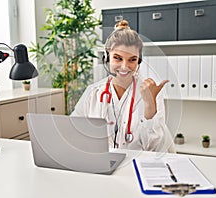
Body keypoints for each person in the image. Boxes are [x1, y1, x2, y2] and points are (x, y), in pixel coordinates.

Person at [71, 20, 175, 152]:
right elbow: (73, 132)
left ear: (139, 60)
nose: (125, 67)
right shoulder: (93, 92)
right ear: (107, 58)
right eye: (118, 58)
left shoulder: (152, 93)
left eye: (132, 59)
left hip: (136, 165)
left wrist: (149, 105)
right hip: (100, 164)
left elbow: (154, 149)